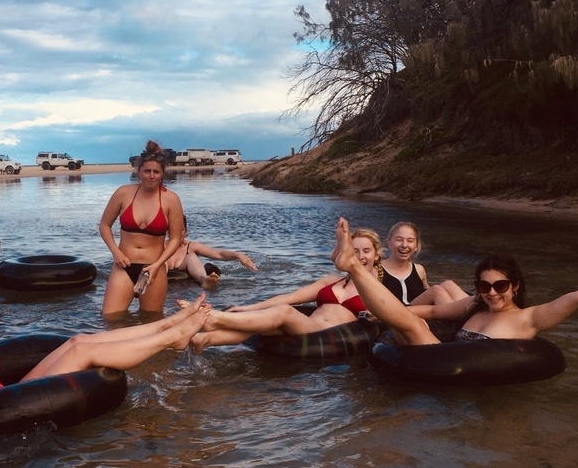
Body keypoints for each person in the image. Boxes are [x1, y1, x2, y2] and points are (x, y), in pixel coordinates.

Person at [0, 265, 210, 448]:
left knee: (78, 341)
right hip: (6, 406)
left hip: (7, 393)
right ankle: (171, 338)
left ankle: (169, 325)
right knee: (82, 350)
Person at [331, 216, 578, 345]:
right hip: (437, 360)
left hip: (466, 375)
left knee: (412, 326)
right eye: (484, 286)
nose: (491, 293)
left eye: (500, 286)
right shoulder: (475, 306)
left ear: (515, 285)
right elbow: (430, 312)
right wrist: (379, 316)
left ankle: (354, 267)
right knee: (412, 323)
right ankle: (354, 267)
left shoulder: (529, 318)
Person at [190, 226, 383, 350]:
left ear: (376, 255)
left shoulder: (377, 290)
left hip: (325, 335)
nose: (360, 256)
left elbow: (386, 316)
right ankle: (205, 340)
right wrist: (247, 308)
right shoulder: (332, 281)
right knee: (266, 324)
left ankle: (216, 319)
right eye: (355, 251)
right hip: (307, 326)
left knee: (284, 312)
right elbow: (290, 297)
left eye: (366, 251)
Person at [99, 140, 184, 315]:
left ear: (162, 174)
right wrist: (116, 252)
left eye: (156, 172)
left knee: (151, 319)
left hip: (154, 269)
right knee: (110, 318)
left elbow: (176, 238)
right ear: (139, 172)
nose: (151, 176)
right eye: (147, 171)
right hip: (124, 266)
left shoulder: (171, 200)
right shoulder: (123, 193)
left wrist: (158, 264)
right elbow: (104, 225)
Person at [380, 222, 468, 305]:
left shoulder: (419, 269)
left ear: (416, 246)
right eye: (399, 240)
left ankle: (473, 310)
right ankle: (460, 312)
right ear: (389, 243)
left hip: (418, 310)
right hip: (395, 312)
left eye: (410, 241)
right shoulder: (377, 268)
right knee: (436, 290)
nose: (404, 245)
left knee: (448, 285)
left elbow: (427, 293)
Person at [166, 215, 258, 289]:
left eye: (181, 229)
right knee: (161, 257)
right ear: (167, 231)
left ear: (186, 232)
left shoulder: (191, 246)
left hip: (187, 280)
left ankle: (205, 280)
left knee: (191, 256)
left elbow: (219, 254)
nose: (177, 233)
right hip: (164, 276)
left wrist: (238, 255)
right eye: (173, 229)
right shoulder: (161, 246)